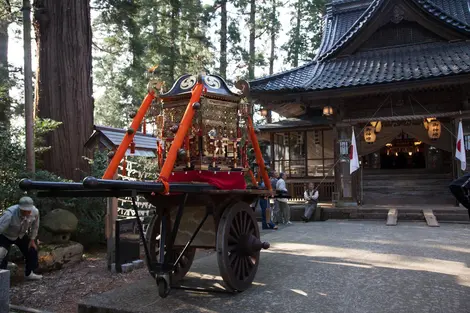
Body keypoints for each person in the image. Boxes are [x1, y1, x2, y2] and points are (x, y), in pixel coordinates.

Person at [0, 197, 42, 280]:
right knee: (2, 254)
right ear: (19, 208)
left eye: (28, 211)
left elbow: (35, 227)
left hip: (21, 235)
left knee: (32, 249)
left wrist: (32, 240)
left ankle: (29, 273)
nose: (26, 212)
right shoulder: (9, 214)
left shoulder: (35, 212)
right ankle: (2, 278)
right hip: (6, 235)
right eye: (24, 210)